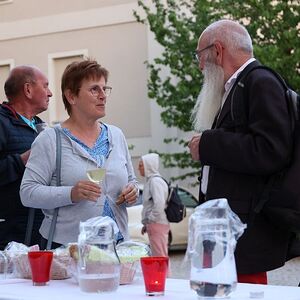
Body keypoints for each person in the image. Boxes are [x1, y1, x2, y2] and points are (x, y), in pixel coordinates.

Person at [188, 20, 293, 284]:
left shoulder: (260, 81)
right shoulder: (238, 86)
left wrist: (208, 145)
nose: (200, 66)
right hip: (227, 229)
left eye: (200, 56)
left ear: (218, 51)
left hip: (243, 231)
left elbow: (271, 150)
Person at [20, 58, 139, 249]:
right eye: (94, 89)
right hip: (68, 251)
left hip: (117, 248)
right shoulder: (50, 139)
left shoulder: (116, 135)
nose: (103, 95)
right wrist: (71, 193)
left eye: (104, 88)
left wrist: (133, 191)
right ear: (71, 96)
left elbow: (132, 180)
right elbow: (27, 193)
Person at [0, 65, 52, 249]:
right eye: (45, 86)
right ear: (28, 89)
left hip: (41, 234)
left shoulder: (43, 128)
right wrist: (24, 160)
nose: (51, 93)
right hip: (9, 237)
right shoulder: (2, 121)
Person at [139, 153, 170, 257]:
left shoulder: (155, 181)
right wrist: (147, 224)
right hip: (154, 224)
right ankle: (162, 274)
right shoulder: (151, 181)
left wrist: (150, 220)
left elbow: (159, 204)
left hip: (157, 223)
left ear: (149, 165)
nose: (138, 168)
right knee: (158, 255)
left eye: (141, 165)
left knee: (160, 256)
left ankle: (165, 274)